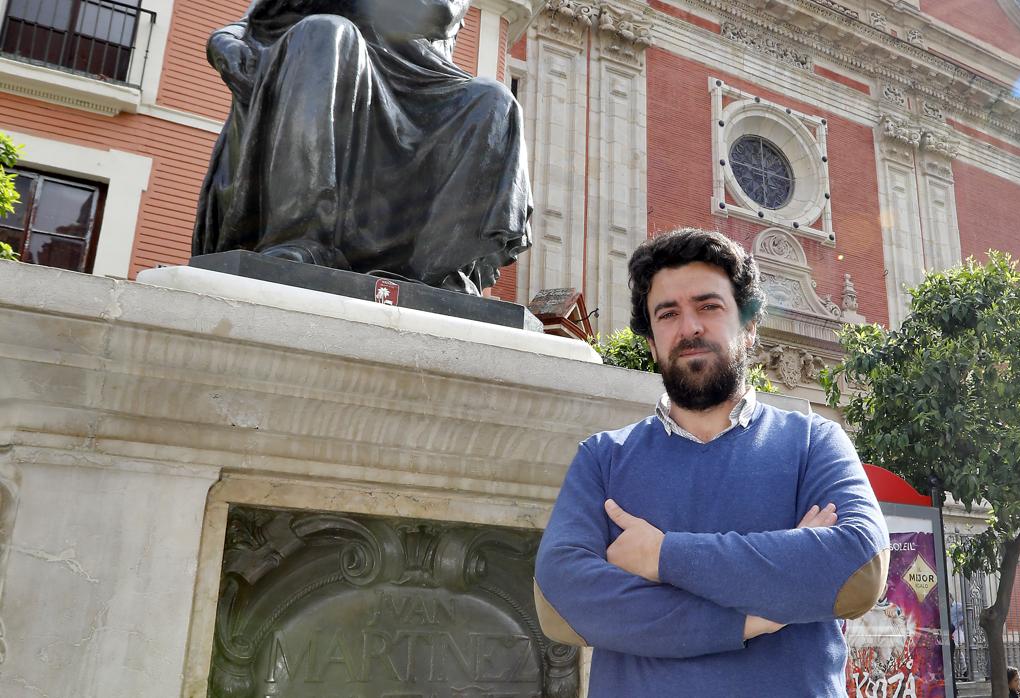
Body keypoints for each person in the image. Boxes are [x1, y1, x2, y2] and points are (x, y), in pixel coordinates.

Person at [533, 229, 891, 696]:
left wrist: (662, 556)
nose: (689, 327)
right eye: (668, 314)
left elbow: (857, 571)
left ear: (749, 326)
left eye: (709, 306)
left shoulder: (813, 442)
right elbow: (560, 600)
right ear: (651, 342)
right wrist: (756, 615)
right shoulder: (602, 458)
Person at [193, 0, 532, 294]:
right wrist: (222, 43)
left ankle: (435, 270)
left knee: (496, 101)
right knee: (324, 32)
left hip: (418, 81)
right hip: (333, 63)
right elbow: (255, 21)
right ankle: (300, 239)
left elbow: (435, 12)